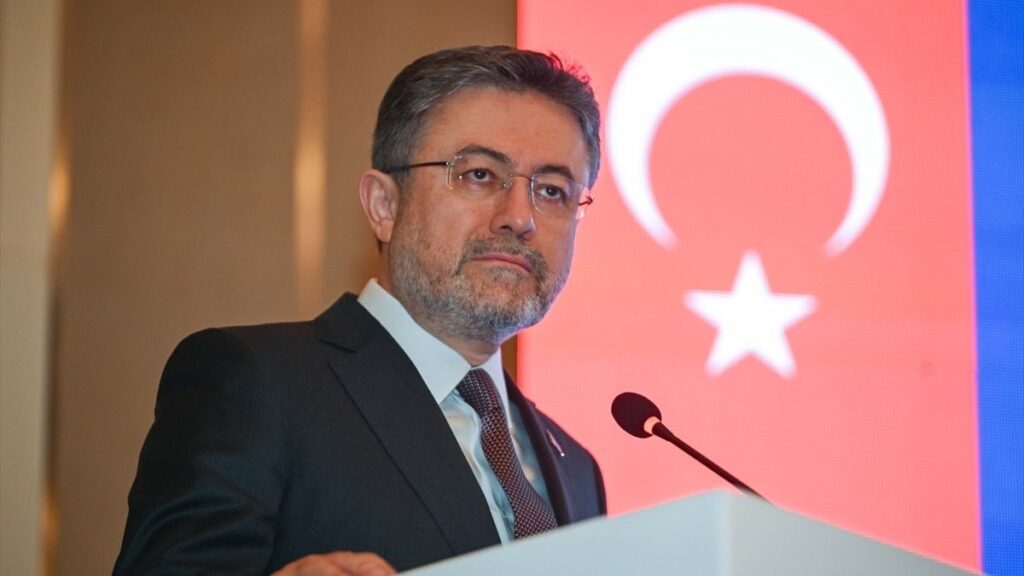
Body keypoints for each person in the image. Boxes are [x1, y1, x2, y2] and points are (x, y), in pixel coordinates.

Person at [114, 45, 605, 575]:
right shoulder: (255, 383)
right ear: (383, 205)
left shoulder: (577, 469)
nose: (520, 217)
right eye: (480, 175)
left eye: (552, 190)